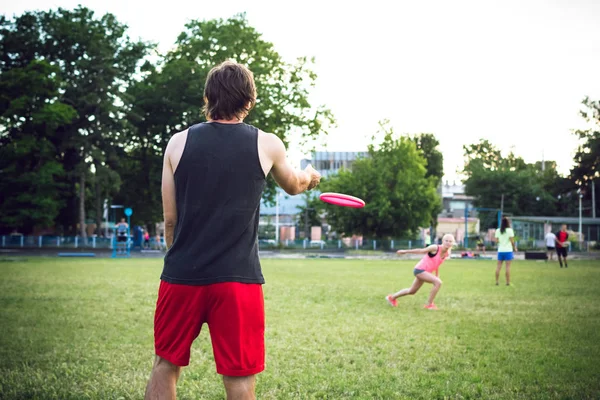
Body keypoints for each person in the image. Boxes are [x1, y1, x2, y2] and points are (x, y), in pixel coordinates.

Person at [145, 60, 321, 400]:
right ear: (249, 101)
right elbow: (295, 184)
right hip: (238, 281)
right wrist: (311, 175)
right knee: (239, 377)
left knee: (165, 363)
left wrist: (178, 262)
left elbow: (170, 220)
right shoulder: (267, 144)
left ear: (208, 97)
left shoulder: (177, 143)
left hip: (182, 276)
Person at [386, 234, 455, 310]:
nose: (448, 242)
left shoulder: (447, 253)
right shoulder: (435, 248)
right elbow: (420, 251)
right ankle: (429, 305)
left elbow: (437, 263)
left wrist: (437, 275)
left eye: (450, 241)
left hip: (425, 272)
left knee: (412, 291)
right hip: (420, 270)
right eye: (446, 240)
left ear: (452, 243)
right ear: (442, 241)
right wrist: (405, 251)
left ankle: (391, 298)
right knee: (438, 283)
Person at [494, 217, 517, 286]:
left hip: (500, 250)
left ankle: (497, 282)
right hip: (508, 251)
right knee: (507, 267)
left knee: (498, 267)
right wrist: (514, 248)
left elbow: (497, 241)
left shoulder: (498, 230)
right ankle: (507, 282)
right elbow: (512, 241)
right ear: (508, 223)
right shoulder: (510, 230)